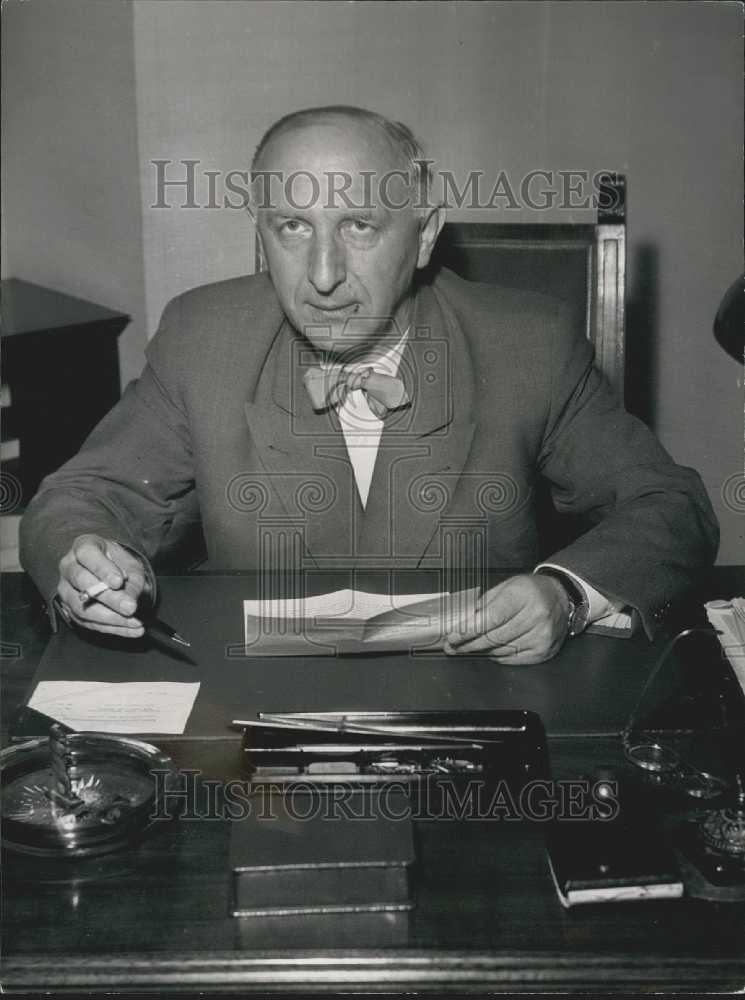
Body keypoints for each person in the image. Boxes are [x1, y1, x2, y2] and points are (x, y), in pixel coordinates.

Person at [20, 106, 718, 663]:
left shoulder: (527, 343)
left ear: (422, 237)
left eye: (359, 226)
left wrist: (564, 595)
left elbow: (669, 507)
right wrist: (85, 559)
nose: (322, 276)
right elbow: (82, 497)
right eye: (292, 227)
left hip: (477, 685)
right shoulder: (202, 335)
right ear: (260, 234)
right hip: (254, 690)